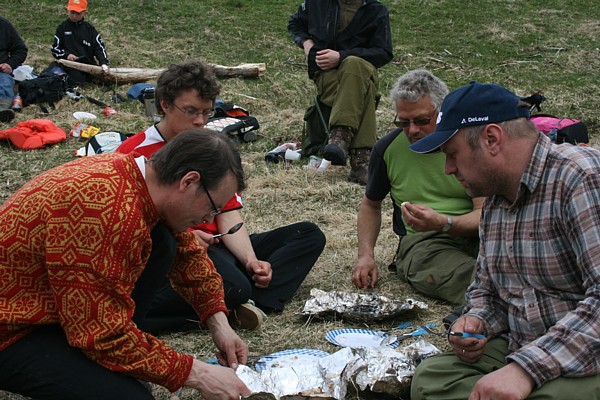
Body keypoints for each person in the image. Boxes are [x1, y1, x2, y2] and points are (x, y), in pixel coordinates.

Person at [0, 129, 253, 399]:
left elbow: (187, 254)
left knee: (163, 242)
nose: (209, 216)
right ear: (188, 181)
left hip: (53, 311)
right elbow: (99, 334)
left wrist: (220, 325)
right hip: (11, 331)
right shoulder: (103, 210)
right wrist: (197, 374)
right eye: (213, 207)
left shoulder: (140, 180)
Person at [409, 82, 600, 399]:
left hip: (586, 353)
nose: (448, 169)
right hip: (526, 343)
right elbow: (488, 289)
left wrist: (524, 370)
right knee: (430, 379)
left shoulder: (581, 177)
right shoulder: (494, 201)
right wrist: (475, 321)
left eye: (452, 154)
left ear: (492, 139)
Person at [118, 61, 326, 332]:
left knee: (308, 235)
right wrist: (183, 237)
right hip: (174, 252)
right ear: (165, 105)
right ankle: (228, 304)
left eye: (207, 112)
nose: (200, 121)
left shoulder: (213, 148)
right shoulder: (133, 153)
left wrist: (251, 260)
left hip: (218, 245)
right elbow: (125, 223)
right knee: (232, 284)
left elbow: (228, 213)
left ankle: (251, 302)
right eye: (191, 111)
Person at [351, 70, 482, 306]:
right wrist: (365, 256)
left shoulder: (468, 144)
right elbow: (371, 204)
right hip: (425, 243)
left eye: (422, 121)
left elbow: (485, 215)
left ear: (442, 112)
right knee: (474, 278)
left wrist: (444, 222)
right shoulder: (388, 148)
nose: (411, 130)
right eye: (403, 122)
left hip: (478, 233)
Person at [288, 0, 393, 185]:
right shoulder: (317, 3)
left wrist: (341, 57)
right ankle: (361, 162)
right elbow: (295, 24)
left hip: (361, 72)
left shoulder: (376, 10)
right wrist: (307, 44)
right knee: (364, 90)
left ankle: (340, 134)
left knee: (354, 64)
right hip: (327, 76)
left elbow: (383, 52)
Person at [51, 0, 110, 85]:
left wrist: (104, 63)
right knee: (77, 80)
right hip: (70, 65)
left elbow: (99, 48)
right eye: (72, 12)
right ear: (68, 10)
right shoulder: (62, 28)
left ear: (84, 13)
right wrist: (67, 55)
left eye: (77, 13)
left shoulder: (89, 29)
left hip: (89, 65)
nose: (74, 16)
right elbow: (55, 49)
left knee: (104, 81)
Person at [0, 16, 28, 123]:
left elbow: (20, 50)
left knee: (5, 83)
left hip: (1, 72)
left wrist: (9, 64)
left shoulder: (4, 25)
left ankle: (2, 111)